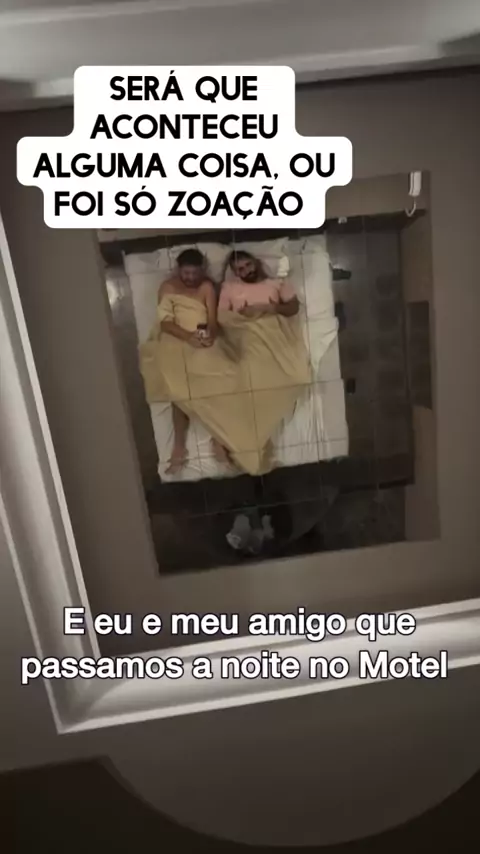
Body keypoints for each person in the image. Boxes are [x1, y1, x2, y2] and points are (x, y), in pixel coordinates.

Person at [154, 248, 228, 474]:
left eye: (195, 273)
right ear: (179, 270)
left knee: (213, 386)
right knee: (179, 392)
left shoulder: (206, 287)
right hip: (177, 339)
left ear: (202, 271)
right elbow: (165, 323)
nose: (190, 278)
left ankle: (218, 438)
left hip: (203, 339)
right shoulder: (168, 287)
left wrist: (210, 335)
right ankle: (179, 448)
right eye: (186, 273)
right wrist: (188, 337)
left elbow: (213, 320)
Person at [219, 250, 300, 318]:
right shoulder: (228, 287)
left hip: (271, 327)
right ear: (236, 273)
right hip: (243, 328)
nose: (247, 271)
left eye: (248, 264)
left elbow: (294, 308)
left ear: (256, 262)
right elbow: (222, 317)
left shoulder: (278, 283)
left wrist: (269, 308)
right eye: (241, 269)